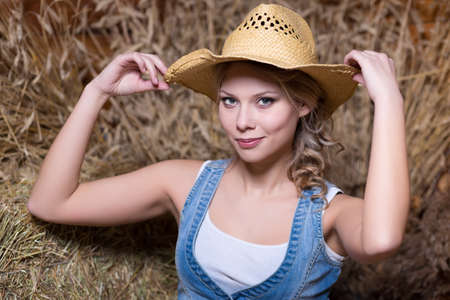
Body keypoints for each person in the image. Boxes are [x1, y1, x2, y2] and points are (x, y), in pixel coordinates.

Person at [27, 3, 409, 299]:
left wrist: (389, 101)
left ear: (303, 104)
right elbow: (51, 203)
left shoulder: (331, 214)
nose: (242, 121)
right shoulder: (182, 182)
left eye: (264, 101)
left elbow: (381, 241)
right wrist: (96, 93)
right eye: (229, 101)